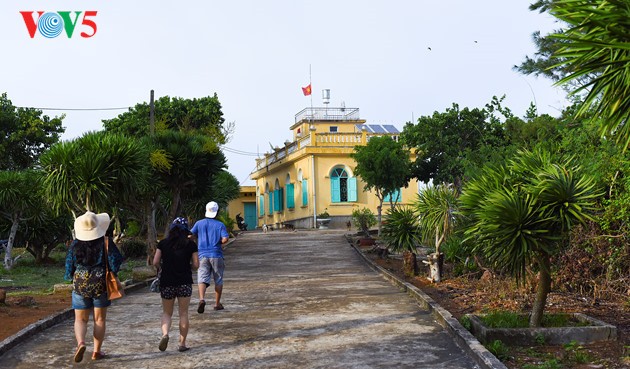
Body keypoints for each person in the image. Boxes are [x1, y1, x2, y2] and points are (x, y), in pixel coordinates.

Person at [64, 211, 123, 362]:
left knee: (80, 319)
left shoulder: (74, 245)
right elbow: (116, 261)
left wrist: (70, 277)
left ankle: (81, 343)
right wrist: (113, 273)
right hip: (100, 284)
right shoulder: (106, 242)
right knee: (99, 319)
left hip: (80, 284)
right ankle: (96, 351)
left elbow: (69, 266)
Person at [153, 217, 199, 352]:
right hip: (184, 281)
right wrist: (189, 266)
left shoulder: (163, 243)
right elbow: (196, 265)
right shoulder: (191, 245)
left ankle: (165, 334)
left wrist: (162, 268)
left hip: (167, 281)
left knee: (167, 313)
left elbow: (155, 261)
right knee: (183, 313)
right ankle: (182, 343)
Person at [190, 201, 229, 313]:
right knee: (218, 279)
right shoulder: (220, 225)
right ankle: (217, 304)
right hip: (216, 254)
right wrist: (220, 242)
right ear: (216, 212)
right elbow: (225, 239)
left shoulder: (199, 223)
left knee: (202, 278)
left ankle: (202, 299)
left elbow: (190, 235)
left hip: (202, 255)